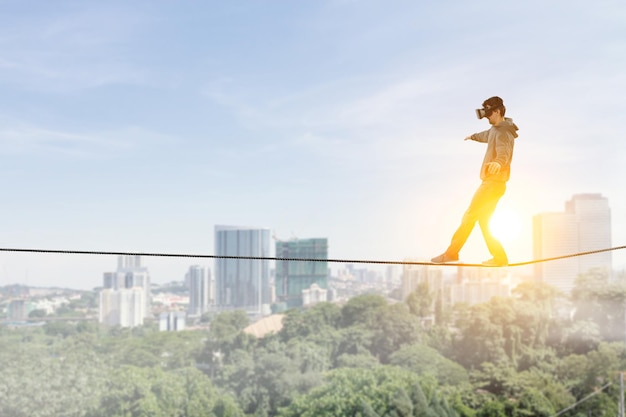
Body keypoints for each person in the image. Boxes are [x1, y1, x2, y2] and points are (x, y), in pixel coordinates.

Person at [431, 96, 519, 267]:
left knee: (469, 216)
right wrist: (473, 136)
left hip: (492, 184)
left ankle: (451, 253)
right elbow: (486, 135)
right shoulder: (495, 129)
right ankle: (500, 258)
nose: (487, 117)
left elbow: (504, 153)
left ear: (498, 111)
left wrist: (498, 163)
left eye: (489, 113)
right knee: (484, 221)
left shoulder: (503, 133)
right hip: (494, 185)